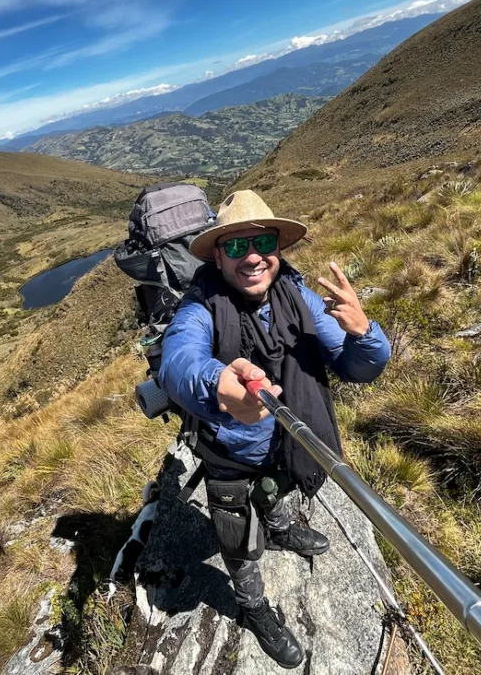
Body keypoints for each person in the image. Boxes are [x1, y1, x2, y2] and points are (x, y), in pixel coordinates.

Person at [158, 189, 392, 668]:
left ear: (278, 247)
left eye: (262, 241)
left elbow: (357, 368)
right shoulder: (200, 307)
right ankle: (253, 606)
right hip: (229, 450)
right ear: (218, 256)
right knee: (237, 536)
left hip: (285, 437)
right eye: (237, 246)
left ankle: (282, 526)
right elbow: (178, 362)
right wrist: (218, 384)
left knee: (279, 488)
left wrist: (365, 334)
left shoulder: (298, 296)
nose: (253, 257)